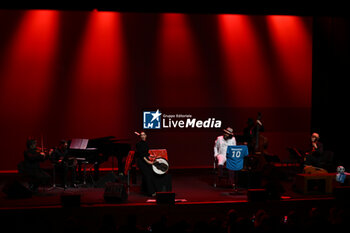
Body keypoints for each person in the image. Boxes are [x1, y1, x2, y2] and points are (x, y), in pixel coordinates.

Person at [135, 131, 157, 196]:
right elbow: (141, 155)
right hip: (141, 162)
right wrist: (149, 162)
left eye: (144, 135)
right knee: (147, 176)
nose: (143, 136)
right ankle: (151, 192)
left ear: (146, 136)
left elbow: (146, 153)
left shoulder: (146, 143)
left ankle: (144, 191)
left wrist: (151, 156)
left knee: (148, 175)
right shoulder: (138, 144)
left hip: (145, 159)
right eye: (141, 135)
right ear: (140, 137)